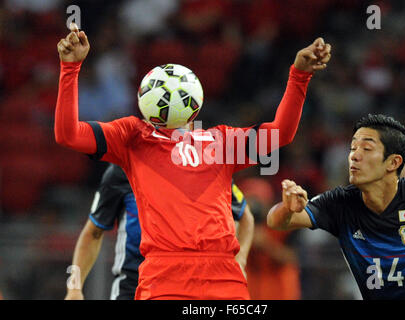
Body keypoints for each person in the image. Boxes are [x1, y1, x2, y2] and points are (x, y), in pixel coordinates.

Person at [55, 23, 331, 299]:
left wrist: (300, 75)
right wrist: (70, 69)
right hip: (164, 277)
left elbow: (279, 134)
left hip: (223, 276)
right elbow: (68, 134)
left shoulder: (221, 142)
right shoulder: (131, 137)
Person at [267, 114, 405, 299]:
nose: (354, 155)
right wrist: (287, 208)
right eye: (353, 148)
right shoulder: (340, 203)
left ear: (393, 162)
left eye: (367, 148)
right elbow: (275, 221)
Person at [65, 163, 254, 300]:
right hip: (131, 284)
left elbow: (245, 217)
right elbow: (92, 233)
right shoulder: (123, 169)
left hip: (186, 284)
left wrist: (241, 260)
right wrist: (74, 287)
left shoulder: (202, 164)